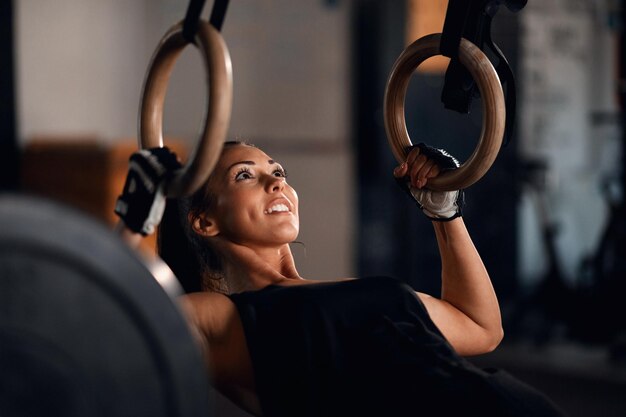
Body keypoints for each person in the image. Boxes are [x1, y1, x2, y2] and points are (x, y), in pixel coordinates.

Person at [115, 141, 567, 417]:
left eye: (278, 172)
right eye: (245, 176)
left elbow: (480, 328)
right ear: (205, 222)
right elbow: (106, 327)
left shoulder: (358, 291)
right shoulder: (222, 317)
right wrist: (136, 217)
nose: (276, 183)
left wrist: (443, 209)